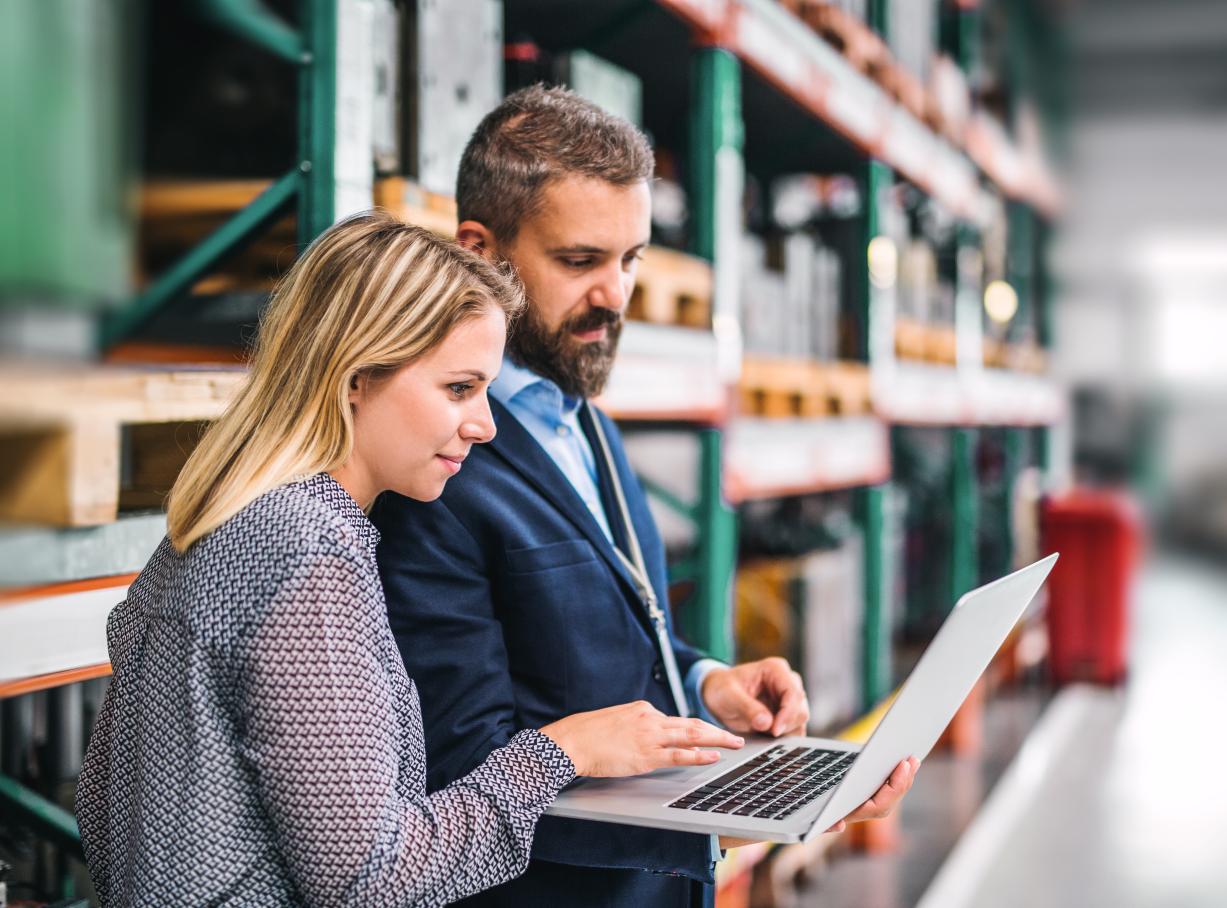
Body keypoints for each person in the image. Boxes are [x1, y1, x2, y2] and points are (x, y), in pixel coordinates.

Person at [73, 214, 745, 907]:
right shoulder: (309, 550)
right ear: (357, 376)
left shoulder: (213, 523)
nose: (485, 424)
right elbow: (372, 877)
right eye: (459, 388)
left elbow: (101, 808)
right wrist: (560, 752)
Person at [372, 87, 918, 908]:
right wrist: (733, 817)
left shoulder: (580, 416)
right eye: (580, 261)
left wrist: (703, 683)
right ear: (481, 251)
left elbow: (604, 641)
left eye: (631, 260)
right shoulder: (436, 468)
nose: (617, 296)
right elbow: (464, 774)